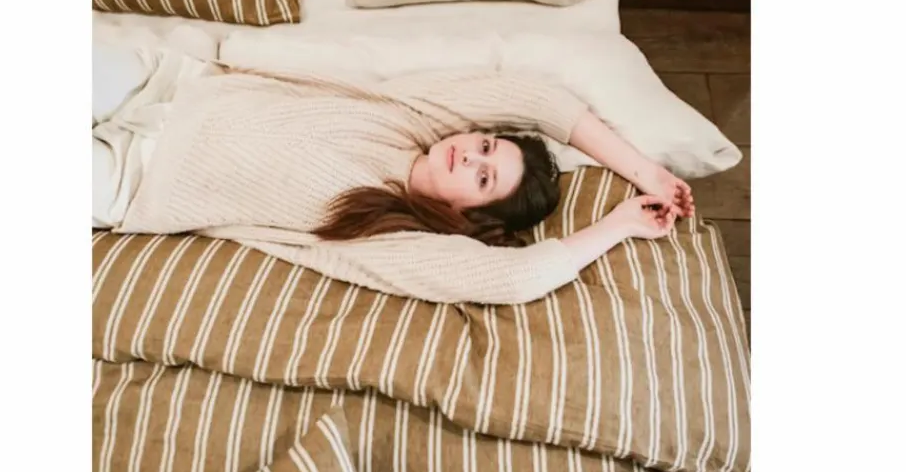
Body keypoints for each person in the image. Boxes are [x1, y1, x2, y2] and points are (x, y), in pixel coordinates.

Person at [92, 39, 694, 306]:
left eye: (484, 178)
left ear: (469, 215)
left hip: (135, 179)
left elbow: (516, 278)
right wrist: (648, 171)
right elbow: (539, 99)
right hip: (166, 86)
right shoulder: (414, 119)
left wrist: (620, 223)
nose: (471, 155)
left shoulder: (389, 234)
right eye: (486, 145)